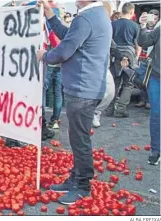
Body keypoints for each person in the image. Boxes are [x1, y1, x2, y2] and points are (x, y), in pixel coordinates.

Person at [37, 0, 111, 204]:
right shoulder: (97, 15)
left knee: (80, 140)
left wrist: (45, 55)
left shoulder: (86, 18)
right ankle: (76, 179)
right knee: (79, 137)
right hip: (89, 85)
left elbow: (62, 51)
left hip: (82, 88)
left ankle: (82, 186)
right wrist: (51, 15)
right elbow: (69, 36)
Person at [107, 3, 140, 118]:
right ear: (131, 12)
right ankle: (121, 109)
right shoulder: (135, 26)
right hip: (129, 55)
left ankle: (109, 108)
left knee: (115, 83)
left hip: (116, 55)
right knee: (128, 84)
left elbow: (109, 42)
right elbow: (138, 44)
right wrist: (136, 57)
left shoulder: (112, 24)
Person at [137, 12, 160, 165]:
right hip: (156, 77)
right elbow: (143, 41)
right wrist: (143, 26)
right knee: (156, 114)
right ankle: (156, 150)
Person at [135, 9, 159, 110]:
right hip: (144, 58)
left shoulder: (157, 27)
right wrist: (143, 26)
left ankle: (148, 101)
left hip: (152, 60)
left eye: (156, 15)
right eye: (151, 15)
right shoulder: (157, 29)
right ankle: (143, 99)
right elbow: (141, 41)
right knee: (143, 80)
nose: (153, 17)